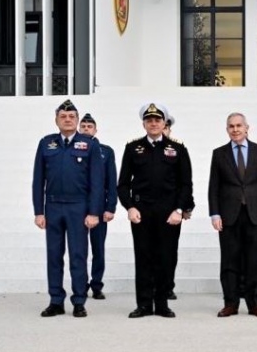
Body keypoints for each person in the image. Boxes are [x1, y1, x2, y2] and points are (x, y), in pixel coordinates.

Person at [117, 103, 193, 318]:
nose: (153, 123)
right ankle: (143, 304)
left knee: (165, 258)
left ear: (164, 123)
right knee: (143, 258)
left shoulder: (177, 148)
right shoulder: (133, 148)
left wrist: (179, 209)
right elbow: (122, 184)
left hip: (168, 213)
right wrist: (129, 207)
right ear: (144, 123)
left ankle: (162, 304)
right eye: (149, 120)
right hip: (141, 212)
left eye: (157, 120)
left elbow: (185, 184)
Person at [32, 99, 104, 318]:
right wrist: (38, 211)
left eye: (72, 116)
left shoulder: (89, 144)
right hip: (53, 206)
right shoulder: (46, 144)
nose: (68, 119)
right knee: (54, 255)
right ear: (56, 120)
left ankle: (79, 301)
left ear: (78, 120)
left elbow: (97, 182)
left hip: (78, 207)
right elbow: (38, 180)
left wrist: (93, 212)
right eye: (63, 116)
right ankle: (55, 300)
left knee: (78, 255)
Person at [208, 113, 257, 318]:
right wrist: (215, 214)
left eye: (239, 125)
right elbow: (214, 187)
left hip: (254, 214)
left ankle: (254, 304)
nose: (235, 129)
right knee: (229, 261)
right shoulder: (219, 154)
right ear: (227, 129)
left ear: (247, 128)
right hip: (229, 216)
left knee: (253, 261)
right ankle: (231, 303)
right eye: (231, 126)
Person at [78, 113, 117, 300]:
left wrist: (111, 207)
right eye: (83, 126)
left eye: (89, 126)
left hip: (100, 207)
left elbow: (111, 181)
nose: (86, 128)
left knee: (98, 248)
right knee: (80, 248)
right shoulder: (72, 149)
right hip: (77, 206)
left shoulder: (105, 151)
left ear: (95, 130)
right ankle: (81, 284)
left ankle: (96, 285)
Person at [162, 113, 190, 300]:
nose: (162, 130)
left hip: (173, 209)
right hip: (151, 208)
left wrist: (185, 207)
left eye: (166, 128)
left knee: (170, 251)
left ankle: (167, 285)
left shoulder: (178, 149)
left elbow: (185, 181)